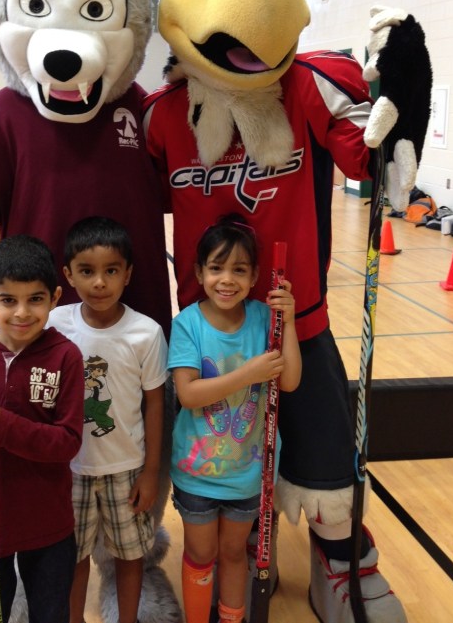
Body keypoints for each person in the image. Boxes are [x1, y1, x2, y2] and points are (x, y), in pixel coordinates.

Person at [168, 215, 301, 623]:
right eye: (216, 268)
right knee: (201, 553)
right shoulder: (187, 323)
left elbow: (291, 380)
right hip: (197, 472)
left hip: (248, 472)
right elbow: (188, 394)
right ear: (198, 273)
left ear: (255, 275)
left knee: (232, 553)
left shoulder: (265, 319)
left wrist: (289, 321)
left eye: (239, 270)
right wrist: (248, 374)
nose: (227, 280)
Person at [0, 234, 84, 623]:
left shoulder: (66, 357)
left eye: (35, 299)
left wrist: (3, 425)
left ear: (55, 297)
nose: (22, 313)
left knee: (50, 615)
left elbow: (67, 442)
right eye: (8, 300)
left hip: (49, 525)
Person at [48, 216, 168, 623]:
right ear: (68, 274)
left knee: (130, 555)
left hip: (127, 470)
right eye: (87, 271)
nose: (99, 282)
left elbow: (155, 404)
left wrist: (151, 471)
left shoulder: (146, 333)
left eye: (111, 271)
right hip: (72, 469)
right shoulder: (55, 324)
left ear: (128, 274)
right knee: (74, 554)